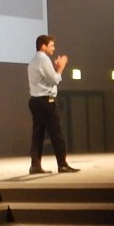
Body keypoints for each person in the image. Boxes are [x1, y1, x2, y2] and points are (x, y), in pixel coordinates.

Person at [27, 34, 77, 174]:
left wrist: (54, 69)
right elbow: (54, 80)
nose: (54, 48)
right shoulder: (43, 59)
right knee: (56, 134)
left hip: (35, 101)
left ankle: (35, 165)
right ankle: (62, 164)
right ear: (43, 46)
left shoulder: (33, 60)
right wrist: (61, 67)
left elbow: (47, 78)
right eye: (51, 45)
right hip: (45, 101)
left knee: (38, 135)